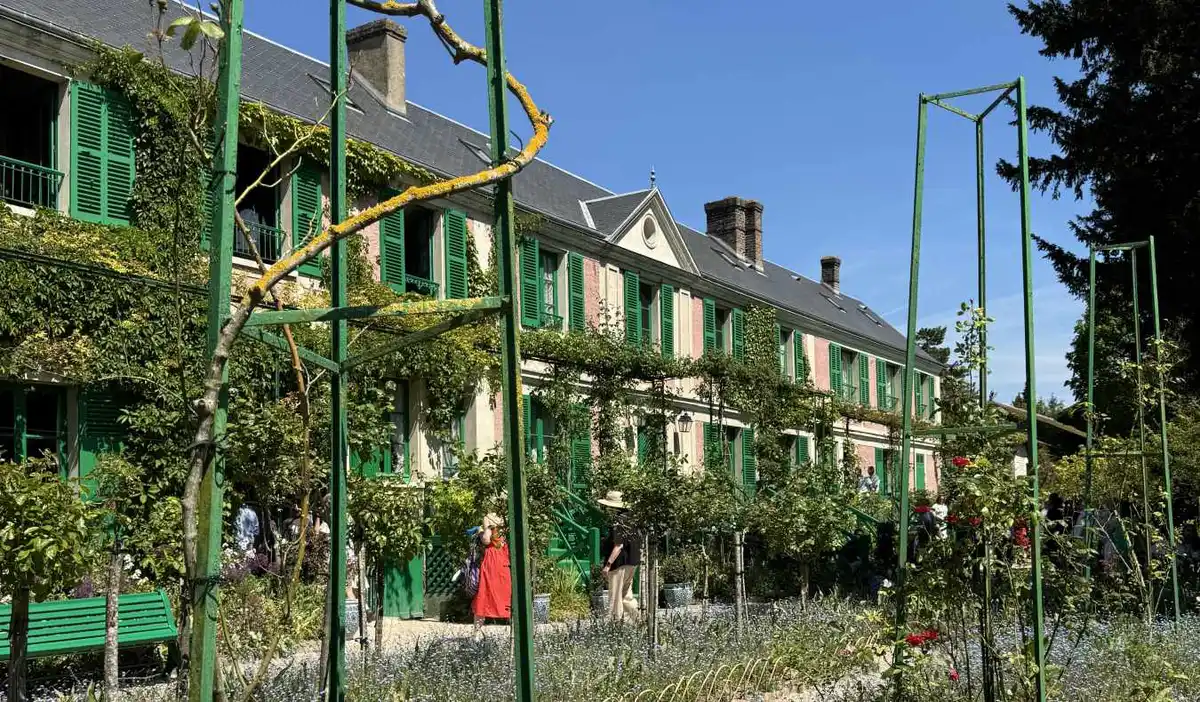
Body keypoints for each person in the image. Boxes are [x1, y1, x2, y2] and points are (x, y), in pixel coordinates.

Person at [598, 491, 640, 623]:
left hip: (619, 563)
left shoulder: (619, 522)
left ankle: (615, 625)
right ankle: (635, 620)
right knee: (626, 596)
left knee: (615, 596)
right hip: (633, 562)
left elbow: (619, 545)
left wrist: (608, 564)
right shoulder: (633, 519)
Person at [472, 512, 511, 640]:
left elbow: (487, 540)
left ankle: (476, 633)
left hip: (492, 558)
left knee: (484, 594)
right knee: (506, 591)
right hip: (504, 556)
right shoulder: (507, 516)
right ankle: (513, 631)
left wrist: (480, 531)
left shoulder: (488, 517)